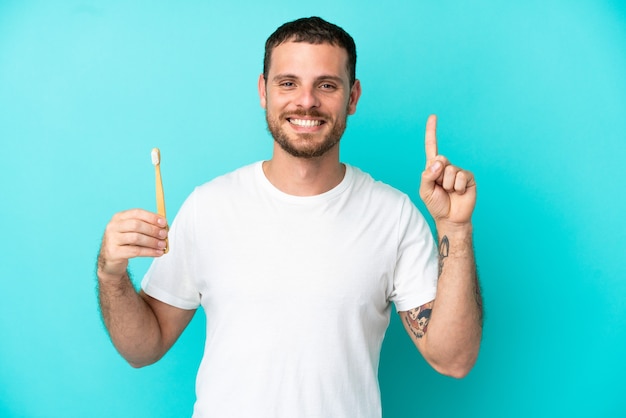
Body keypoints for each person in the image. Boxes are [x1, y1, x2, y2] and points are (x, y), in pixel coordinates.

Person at [96, 16, 482, 418]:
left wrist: (455, 228)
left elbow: (453, 359)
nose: (306, 101)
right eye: (288, 83)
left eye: (327, 85)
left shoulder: (393, 216)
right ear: (264, 91)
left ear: (353, 97)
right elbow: (144, 348)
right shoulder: (208, 207)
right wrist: (111, 275)